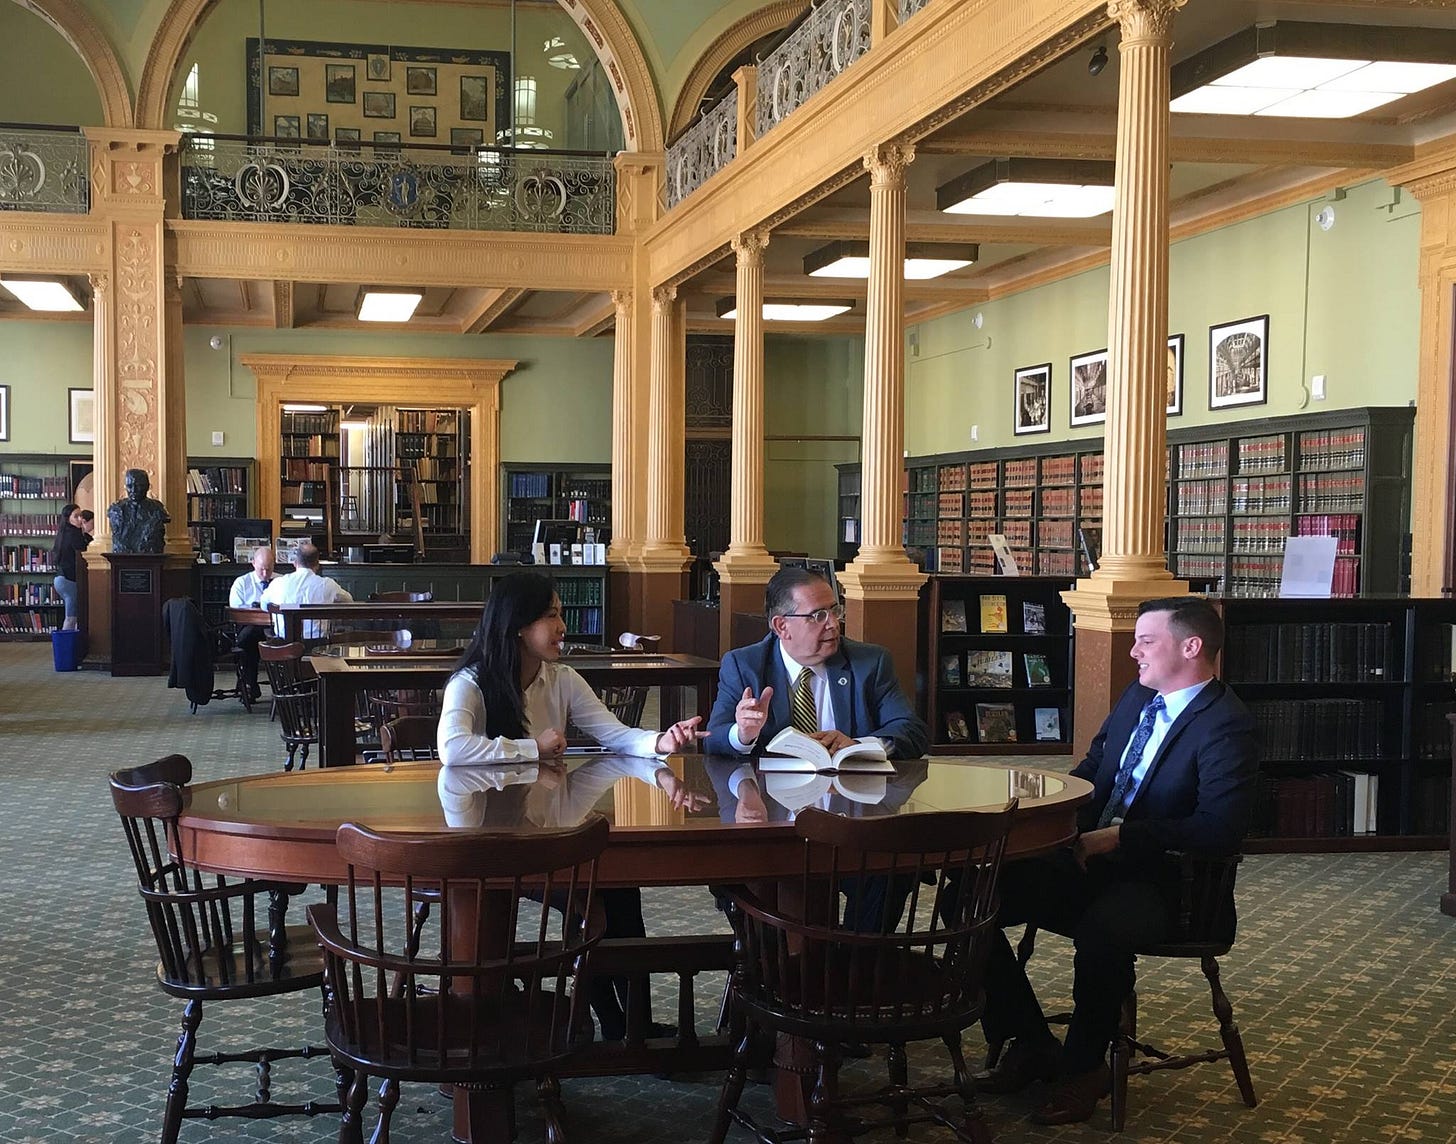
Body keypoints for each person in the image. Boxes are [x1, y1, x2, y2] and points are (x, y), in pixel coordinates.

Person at [974, 596, 1259, 1126]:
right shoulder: (1139, 696)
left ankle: (1083, 1070)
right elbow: (1094, 764)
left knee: (1102, 934)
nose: (1133, 652)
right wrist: (1050, 810)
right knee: (970, 904)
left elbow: (1220, 829)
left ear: (1191, 647)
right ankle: (1031, 1041)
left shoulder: (1226, 725)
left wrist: (1121, 839)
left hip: (1169, 883)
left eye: (1146, 641)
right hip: (1088, 858)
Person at [437, 570, 707, 1042]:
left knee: (621, 889)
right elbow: (452, 749)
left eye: (560, 615)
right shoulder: (472, 683)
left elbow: (615, 735)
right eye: (550, 616)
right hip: (488, 847)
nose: (562, 627)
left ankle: (632, 1026)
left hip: (551, 838)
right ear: (518, 626)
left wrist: (661, 740)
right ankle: (620, 1024)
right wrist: (531, 748)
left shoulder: (560, 678)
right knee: (595, 898)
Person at [704, 565, 929, 931]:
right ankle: (775, 974)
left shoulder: (870, 662)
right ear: (781, 626)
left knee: (892, 871)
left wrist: (862, 744)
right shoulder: (745, 665)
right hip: (772, 826)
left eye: (835, 612)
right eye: (818, 616)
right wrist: (742, 733)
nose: (832, 625)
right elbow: (714, 739)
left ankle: (852, 968)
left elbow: (912, 731)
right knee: (745, 882)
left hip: (850, 828)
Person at [260, 542, 352, 643]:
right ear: (317, 565)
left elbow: (264, 605)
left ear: (295, 563)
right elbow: (349, 601)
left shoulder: (278, 583)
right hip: (319, 646)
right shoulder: (328, 585)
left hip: (285, 646)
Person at [228, 545, 275, 700]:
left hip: (275, 628)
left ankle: (283, 686)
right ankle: (250, 685)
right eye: (261, 569)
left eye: (268, 569)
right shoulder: (242, 583)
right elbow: (237, 613)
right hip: (248, 627)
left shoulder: (281, 581)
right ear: (253, 563)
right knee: (249, 639)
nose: (265, 573)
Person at [106, 468, 169, 553]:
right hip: (122, 558)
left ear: (147, 486)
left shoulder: (157, 508)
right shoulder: (116, 509)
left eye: (138, 486)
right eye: (129, 486)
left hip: (150, 559)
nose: (133, 490)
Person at [50, 504, 89, 632]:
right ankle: (67, 648)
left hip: (60, 578)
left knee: (72, 616)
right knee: (72, 617)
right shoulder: (74, 534)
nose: (80, 519)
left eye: (81, 516)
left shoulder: (63, 533)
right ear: (68, 519)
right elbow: (85, 549)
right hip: (69, 579)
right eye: (76, 516)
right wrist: (86, 531)